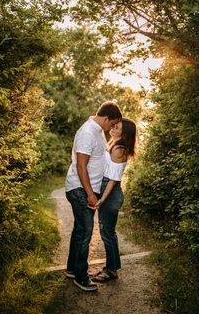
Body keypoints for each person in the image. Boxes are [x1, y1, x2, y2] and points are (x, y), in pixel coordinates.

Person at [65, 101, 122, 292]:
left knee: (80, 230)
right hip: (80, 190)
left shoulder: (98, 130)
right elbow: (81, 166)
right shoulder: (87, 132)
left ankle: (73, 269)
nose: (112, 128)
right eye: (112, 124)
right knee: (86, 232)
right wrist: (90, 193)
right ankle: (81, 277)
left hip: (86, 189)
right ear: (106, 118)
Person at [91, 118, 136, 282]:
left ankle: (111, 271)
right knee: (108, 232)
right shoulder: (112, 142)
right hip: (107, 191)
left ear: (124, 134)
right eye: (115, 124)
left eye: (118, 127)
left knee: (107, 233)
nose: (114, 127)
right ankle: (112, 267)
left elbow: (113, 179)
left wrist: (102, 199)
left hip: (110, 193)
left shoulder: (119, 149)